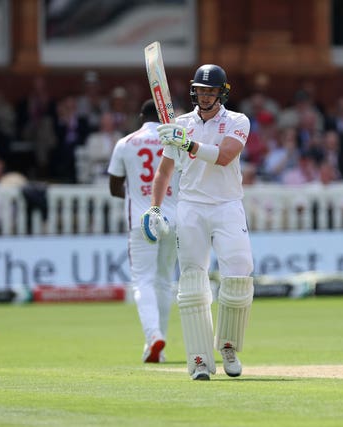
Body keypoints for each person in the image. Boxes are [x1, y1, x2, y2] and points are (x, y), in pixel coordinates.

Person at [142, 64, 254, 381]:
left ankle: (228, 345)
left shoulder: (237, 121)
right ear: (195, 91)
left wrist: (187, 143)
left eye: (211, 91)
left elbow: (224, 156)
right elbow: (164, 172)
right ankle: (200, 359)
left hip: (228, 205)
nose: (205, 96)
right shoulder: (180, 125)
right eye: (201, 90)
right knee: (192, 282)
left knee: (240, 274)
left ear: (222, 93)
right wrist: (154, 208)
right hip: (191, 206)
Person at [107, 99, 180, 364]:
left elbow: (114, 187)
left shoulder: (126, 143)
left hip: (142, 219)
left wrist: (137, 191)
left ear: (141, 116)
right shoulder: (175, 141)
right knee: (164, 281)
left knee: (143, 281)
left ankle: (153, 337)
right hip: (173, 218)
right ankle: (155, 346)